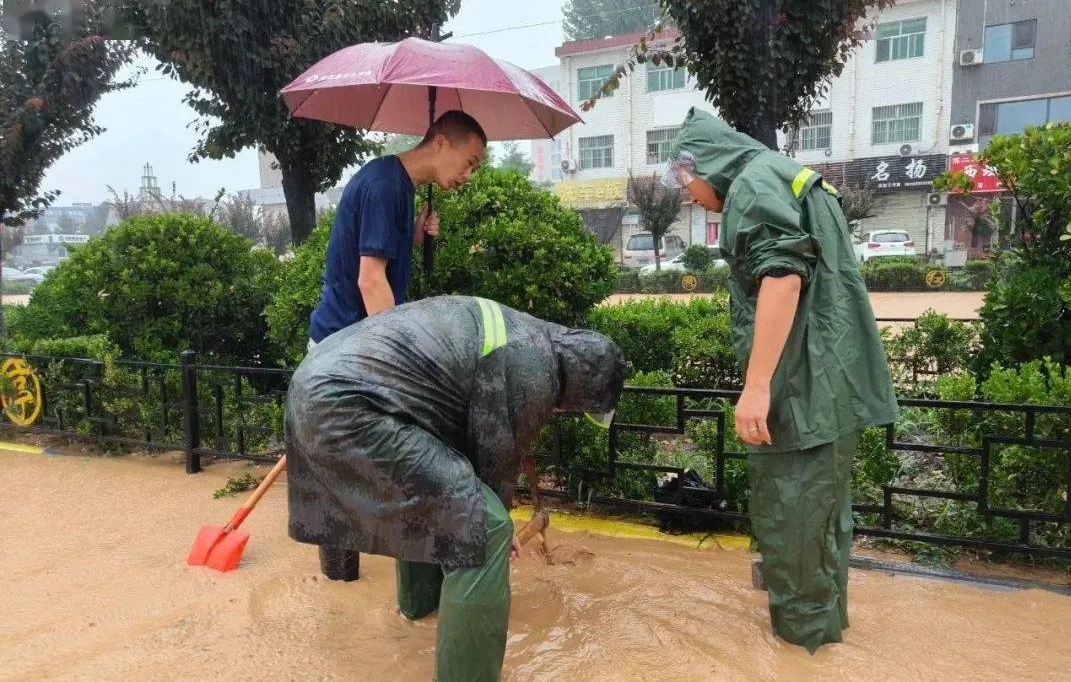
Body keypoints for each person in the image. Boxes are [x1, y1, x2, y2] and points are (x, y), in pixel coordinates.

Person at [285, 295, 625, 681]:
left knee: (434, 499)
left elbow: (458, 451)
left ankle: (419, 614)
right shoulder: (536, 364)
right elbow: (494, 456)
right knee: (484, 527)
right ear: (581, 386)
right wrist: (501, 518)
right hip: (350, 406)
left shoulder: (523, 331)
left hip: (311, 387)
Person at [662, 108, 899, 653]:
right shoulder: (783, 174)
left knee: (793, 534)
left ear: (705, 163)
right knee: (821, 532)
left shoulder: (750, 185)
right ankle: (824, 641)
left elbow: (783, 276)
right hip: (832, 392)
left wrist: (757, 384)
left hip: (800, 395)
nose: (689, 195)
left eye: (685, 181)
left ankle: (801, 651)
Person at [307, 110, 487, 580]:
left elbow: (372, 261)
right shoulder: (387, 187)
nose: (467, 176)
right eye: (469, 162)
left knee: (343, 465)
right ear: (441, 144)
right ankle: (341, 578)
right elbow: (370, 282)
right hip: (344, 352)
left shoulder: (395, 186)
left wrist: (414, 231)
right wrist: (402, 363)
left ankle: (343, 579)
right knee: (348, 468)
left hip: (346, 343)